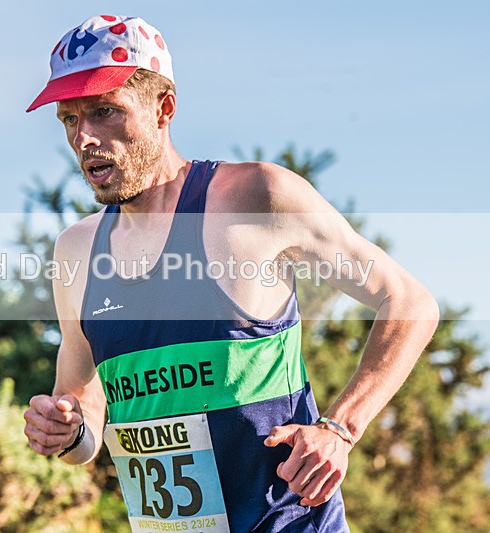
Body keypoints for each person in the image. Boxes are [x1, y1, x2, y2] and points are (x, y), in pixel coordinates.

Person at [22, 14, 439, 533]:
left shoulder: (254, 198)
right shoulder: (76, 250)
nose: (84, 138)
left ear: (163, 108)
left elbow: (409, 302)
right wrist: (64, 430)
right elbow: (84, 410)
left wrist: (340, 429)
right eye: (68, 119)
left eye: (104, 111)